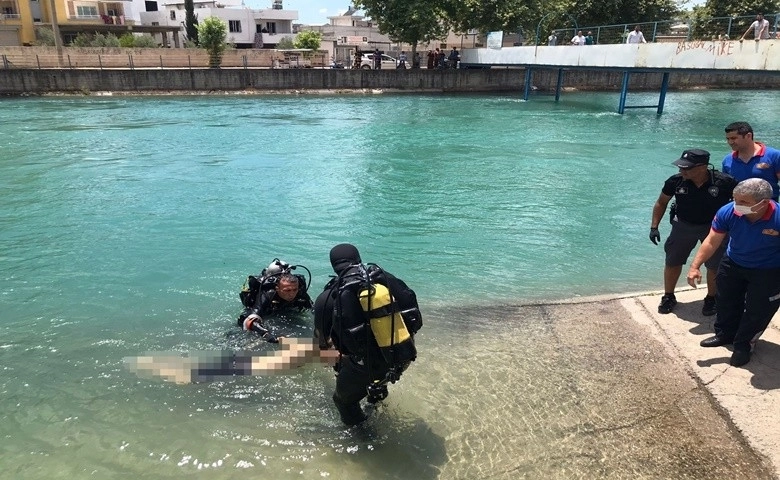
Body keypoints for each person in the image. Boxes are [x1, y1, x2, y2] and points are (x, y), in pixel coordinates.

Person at [313, 244, 422, 426]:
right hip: (404, 354)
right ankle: (376, 400)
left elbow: (322, 342)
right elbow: (414, 317)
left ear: (333, 266)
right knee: (379, 376)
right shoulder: (386, 280)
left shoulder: (326, 298)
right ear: (358, 259)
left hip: (366, 366)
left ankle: (365, 440)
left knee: (343, 401)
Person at [686, 178, 780, 367]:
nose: (738, 205)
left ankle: (744, 345)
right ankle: (725, 334)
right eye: (736, 200)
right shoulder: (728, 211)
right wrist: (695, 266)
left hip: (768, 269)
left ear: (764, 202)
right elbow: (712, 240)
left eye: (744, 202)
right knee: (726, 301)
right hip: (734, 262)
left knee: (758, 310)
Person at [650, 149, 736, 315]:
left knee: (714, 265)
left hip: (714, 228)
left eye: (686, 168)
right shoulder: (675, 181)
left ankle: (711, 298)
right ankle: (669, 296)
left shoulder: (725, 182)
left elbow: (740, 204)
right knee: (673, 260)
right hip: (683, 225)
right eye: (680, 167)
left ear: (703, 167)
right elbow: (661, 202)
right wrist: (654, 227)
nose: (682, 171)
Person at [237, 259, 313, 343]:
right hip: (268, 312)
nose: (292, 294)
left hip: (287, 311)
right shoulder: (268, 294)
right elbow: (250, 319)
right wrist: (266, 334)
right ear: (277, 289)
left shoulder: (299, 291)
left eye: (294, 290)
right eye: (287, 290)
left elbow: (312, 308)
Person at [722, 121, 780, 200]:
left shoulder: (774, 156)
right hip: (739, 207)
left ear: (748, 136)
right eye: (728, 139)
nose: (730, 142)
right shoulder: (727, 161)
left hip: (768, 208)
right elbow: (726, 189)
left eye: (733, 138)